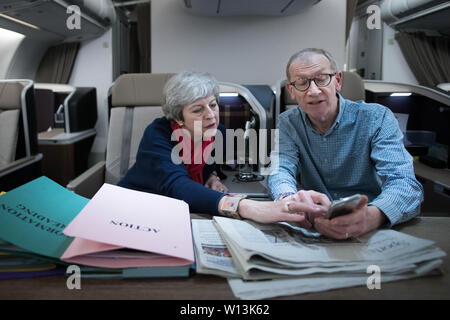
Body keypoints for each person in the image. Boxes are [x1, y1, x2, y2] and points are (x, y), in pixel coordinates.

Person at [118, 71, 325, 224]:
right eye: (198, 110)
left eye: (213, 104)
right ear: (179, 119)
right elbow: (176, 185)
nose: (210, 115)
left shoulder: (220, 134)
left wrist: (212, 177)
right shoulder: (157, 135)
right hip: (134, 211)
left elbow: (205, 167)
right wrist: (246, 206)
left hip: (182, 212)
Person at [268, 48, 424, 239]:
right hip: (314, 224)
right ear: (291, 91)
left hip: (370, 225)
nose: (313, 91)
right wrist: (290, 201)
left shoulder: (377, 117)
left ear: (338, 81)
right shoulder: (287, 122)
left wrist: (372, 217)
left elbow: (405, 183)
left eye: (322, 78)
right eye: (302, 82)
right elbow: (280, 168)